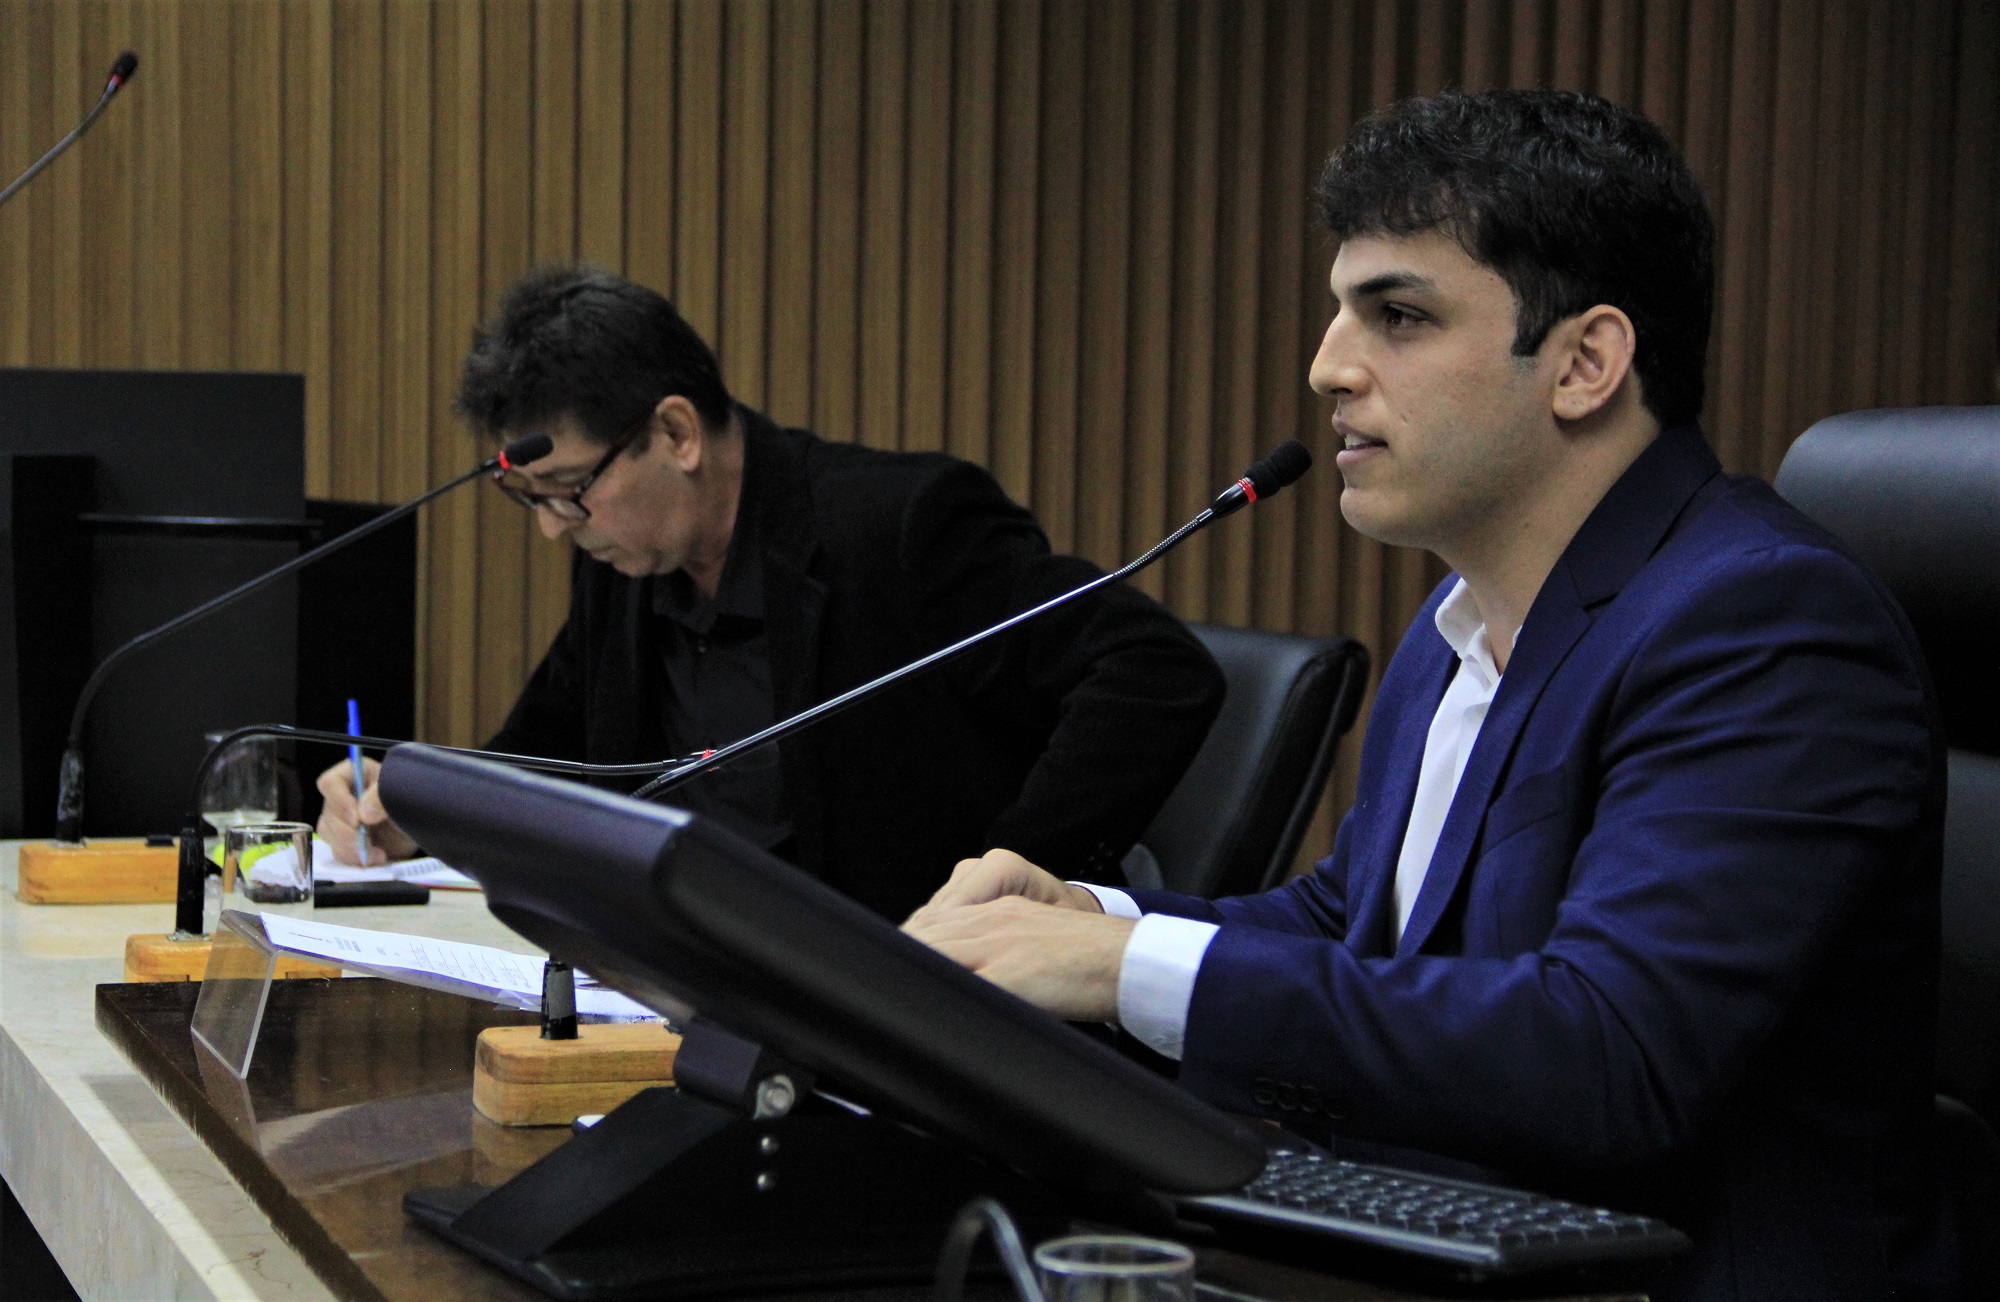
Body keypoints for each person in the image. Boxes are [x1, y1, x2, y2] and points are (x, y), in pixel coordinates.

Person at [905, 89, 1954, 1299]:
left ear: (1584, 363)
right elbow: (1356, 921)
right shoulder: (1464, 618)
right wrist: (1093, 921)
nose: (1326, 367)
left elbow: (1608, 1054)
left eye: (1396, 316)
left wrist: (1122, 970)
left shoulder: (1764, 623)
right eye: (1339, 312)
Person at [317, 266, 1224, 922]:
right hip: (683, 978)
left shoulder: (903, 528)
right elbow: (551, 756)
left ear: (676, 433)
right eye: (534, 501)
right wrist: (418, 809)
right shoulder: (626, 565)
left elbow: (1152, 671)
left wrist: (1015, 873)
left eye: (569, 492)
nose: (557, 528)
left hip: (889, 993)